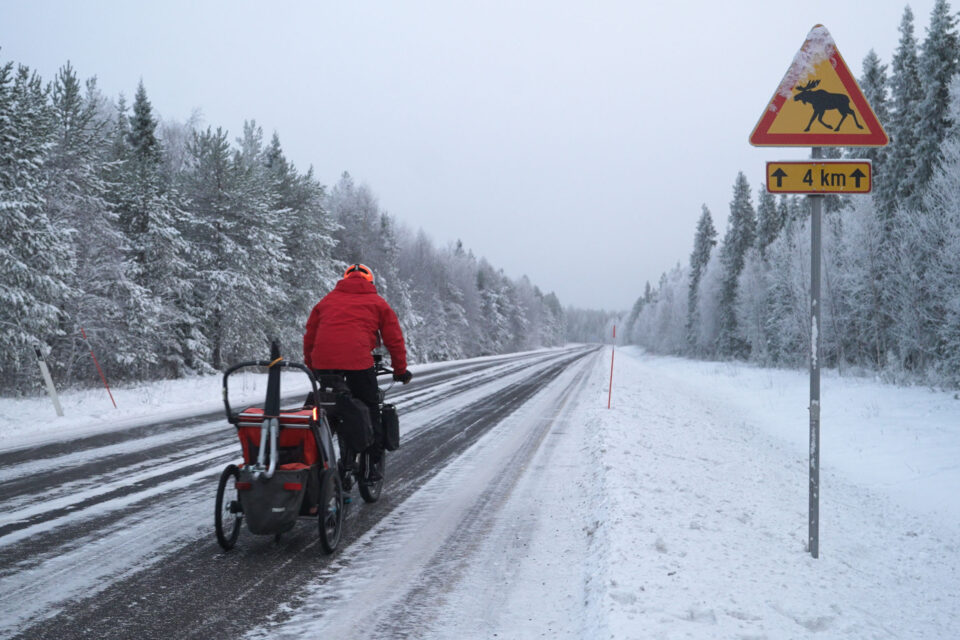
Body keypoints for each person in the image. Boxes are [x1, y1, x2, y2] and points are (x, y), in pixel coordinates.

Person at [303, 263, 412, 480]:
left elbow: (310, 336)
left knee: (327, 407)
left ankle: (316, 460)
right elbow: (394, 339)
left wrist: (312, 366)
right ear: (370, 282)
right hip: (358, 364)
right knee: (372, 410)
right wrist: (400, 370)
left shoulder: (327, 300)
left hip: (325, 365)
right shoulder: (377, 302)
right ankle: (372, 468)